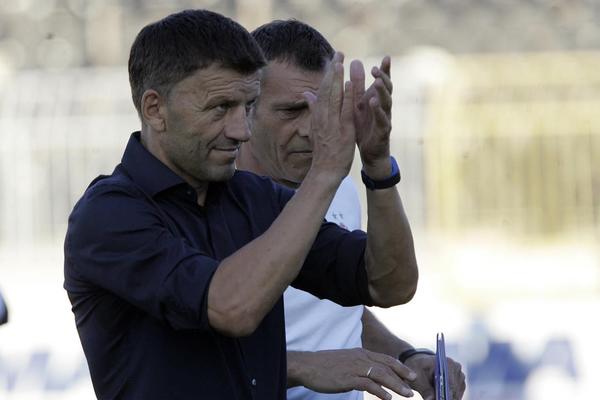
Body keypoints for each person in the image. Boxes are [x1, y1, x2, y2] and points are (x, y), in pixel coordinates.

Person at [64, 9, 418, 400]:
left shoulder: (255, 197)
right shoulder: (108, 215)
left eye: (247, 107)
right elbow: (232, 308)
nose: (241, 130)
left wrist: (377, 167)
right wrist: (324, 173)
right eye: (221, 108)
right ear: (154, 109)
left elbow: (388, 284)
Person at [238, 20, 466, 400]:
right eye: (292, 111)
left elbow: (343, 307)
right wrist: (306, 367)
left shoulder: (339, 185)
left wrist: (405, 355)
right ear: (246, 110)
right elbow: (192, 354)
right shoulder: (209, 202)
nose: (311, 130)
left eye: (323, 109)